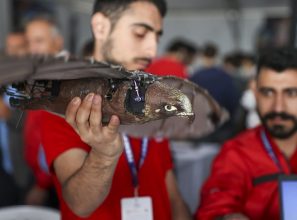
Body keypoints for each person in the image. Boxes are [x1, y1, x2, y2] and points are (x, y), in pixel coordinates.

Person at [40, 0, 191, 220]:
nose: (152, 50)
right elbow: (79, 204)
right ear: (101, 27)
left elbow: (169, 188)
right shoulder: (63, 104)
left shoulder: (151, 97)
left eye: (157, 37)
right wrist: (104, 155)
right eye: (140, 34)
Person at [196, 48, 297, 220]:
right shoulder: (236, 154)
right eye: (268, 92)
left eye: (291, 93)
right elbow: (215, 207)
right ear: (254, 92)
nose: (278, 107)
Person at [23, 16, 64, 207]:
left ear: (57, 42)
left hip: (53, 180)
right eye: (29, 42)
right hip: (39, 175)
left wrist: (41, 184)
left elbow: (54, 136)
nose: (32, 49)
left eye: (39, 41)